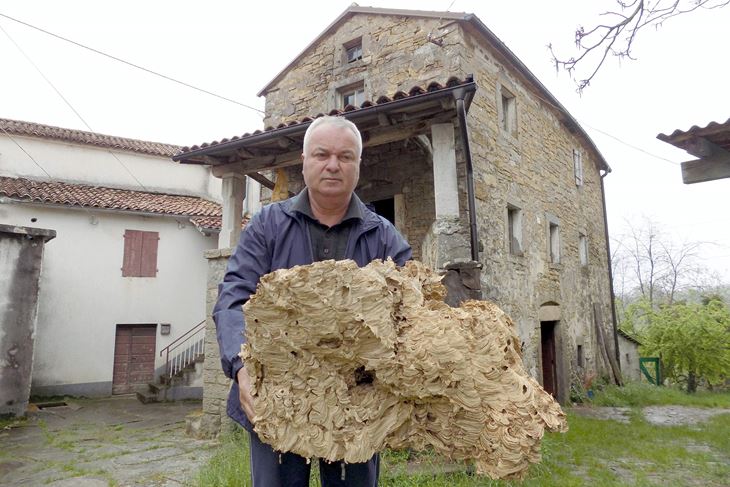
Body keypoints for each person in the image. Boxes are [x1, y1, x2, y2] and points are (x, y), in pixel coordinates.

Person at [213, 115, 412, 487]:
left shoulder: (384, 238)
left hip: (357, 402)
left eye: (345, 156)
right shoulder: (267, 226)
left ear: (357, 165)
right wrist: (242, 367)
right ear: (304, 162)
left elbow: (410, 313)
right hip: (276, 394)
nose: (333, 165)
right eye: (322, 154)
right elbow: (234, 299)